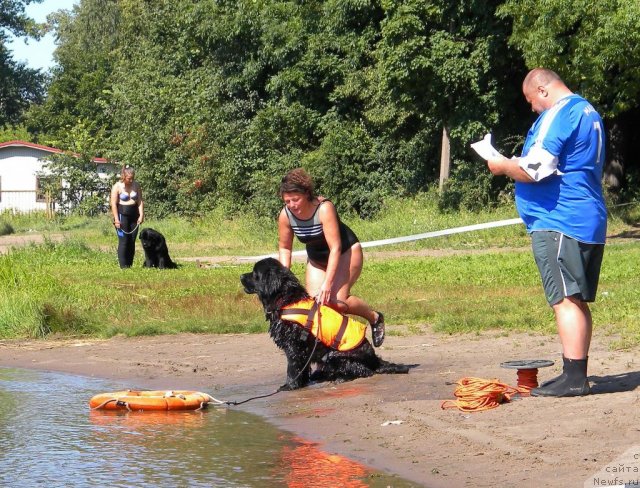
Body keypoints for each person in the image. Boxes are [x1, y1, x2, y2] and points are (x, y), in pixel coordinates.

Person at [485, 68, 607, 397]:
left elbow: (535, 169)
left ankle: (574, 378)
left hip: (560, 220)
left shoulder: (560, 113)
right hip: (584, 217)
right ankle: (574, 371)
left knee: (564, 299)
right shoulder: (587, 110)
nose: (532, 109)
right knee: (575, 300)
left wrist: (501, 164)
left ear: (542, 90)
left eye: (531, 102)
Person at [278, 168, 385, 347]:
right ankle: (330, 350)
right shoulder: (285, 215)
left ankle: (374, 317)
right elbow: (284, 248)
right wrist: (282, 278)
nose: (292, 205)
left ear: (306, 194)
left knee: (336, 302)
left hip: (345, 253)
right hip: (317, 259)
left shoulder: (324, 208)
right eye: (287, 201)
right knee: (316, 307)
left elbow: (335, 248)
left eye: (295, 200)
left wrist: (327, 284)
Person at [110, 165, 144, 268]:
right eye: (129, 178)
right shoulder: (117, 186)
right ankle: (123, 267)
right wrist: (116, 219)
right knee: (124, 241)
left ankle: (129, 265)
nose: (131, 180)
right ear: (123, 176)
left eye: (132, 178)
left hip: (134, 215)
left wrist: (141, 214)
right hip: (122, 215)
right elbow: (113, 204)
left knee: (132, 240)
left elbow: (140, 200)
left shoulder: (136, 185)